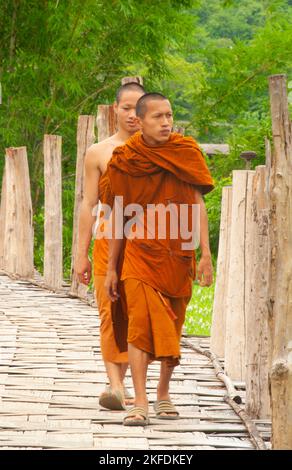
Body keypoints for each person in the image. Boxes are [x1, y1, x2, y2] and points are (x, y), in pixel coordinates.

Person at [104, 92, 215, 426]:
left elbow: (197, 204)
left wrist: (206, 254)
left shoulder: (186, 152)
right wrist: (111, 267)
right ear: (139, 120)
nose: (166, 122)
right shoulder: (125, 158)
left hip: (178, 252)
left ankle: (163, 392)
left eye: (169, 115)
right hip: (138, 254)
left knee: (172, 325)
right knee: (139, 324)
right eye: (158, 117)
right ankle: (139, 401)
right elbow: (119, 215)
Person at [75, 82, 146, 410]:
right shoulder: (98, 152)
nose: (132, 115)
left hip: (147, 242)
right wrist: (80, 254)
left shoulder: (159, 148)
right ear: (114, 110)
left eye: (138, 109)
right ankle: (116, 386)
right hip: (106, 242)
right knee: (109, 313)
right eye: (126, 108)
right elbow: (89, 203)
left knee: (138, 314)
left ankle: (137, 387)